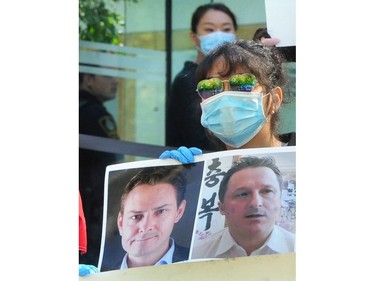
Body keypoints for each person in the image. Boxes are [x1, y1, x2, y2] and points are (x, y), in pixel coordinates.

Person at [160, 39, 295, 164]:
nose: (225, 96)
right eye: (210, 87)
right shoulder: (202, 174)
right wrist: (175, 177)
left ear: (275, 99)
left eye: (242, 83)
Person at [166, 3, 238, 151]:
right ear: (194, 37)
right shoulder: (187, 81)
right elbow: (198, 143)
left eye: (226, 29)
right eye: (209, 29)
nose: (219, 35)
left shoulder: (237, 79)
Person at [191, 156, 295, 259]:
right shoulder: (196, 255)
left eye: (267, 191)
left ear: (280, 202)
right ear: (222, 207)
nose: (256, 203)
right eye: (243, 194)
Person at [79, 72, 122, 266]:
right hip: (93, 202)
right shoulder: (94, 114)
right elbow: (113, 158)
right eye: (107, 75)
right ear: (88, 79)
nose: (115, 80)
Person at [116, 166, 190, 268]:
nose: (146, 227)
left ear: (179, 211)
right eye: (136, 216)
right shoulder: (99, 272)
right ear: (120, 223)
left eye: (160, 211)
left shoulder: (203, 262)